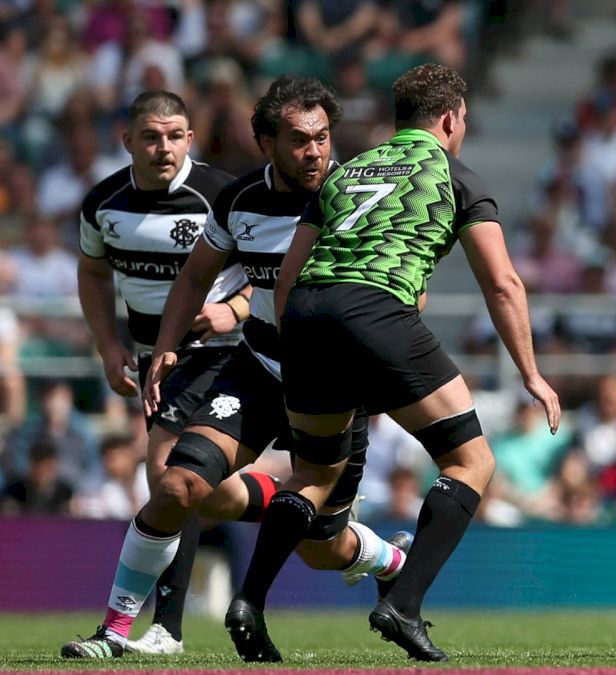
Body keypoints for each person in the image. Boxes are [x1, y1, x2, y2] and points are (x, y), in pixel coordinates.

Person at [234, 63, 559, 663]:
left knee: (311, 476)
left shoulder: (347, 173)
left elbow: (287, 276)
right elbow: (505, 285)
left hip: (304, 317)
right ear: (451, 118)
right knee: (472, 460)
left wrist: (301, 346)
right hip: (376, 310)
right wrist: (531, 374)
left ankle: (249, 600)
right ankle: (402, 604)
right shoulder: (456, 176)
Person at [138, 76, 410, 663]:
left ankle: (389, 559)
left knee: (320, 547)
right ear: (265, 142)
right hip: (259, 368)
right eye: (297, 140)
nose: (314, 152)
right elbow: (193, 277)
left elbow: (404, 290)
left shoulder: (360, 198)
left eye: (322, 137)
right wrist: (165, 345)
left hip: (334, 388)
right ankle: (124, 630)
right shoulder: (239, 201)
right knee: (186, 484)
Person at [66, 90, 268, 657]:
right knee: (208, 494)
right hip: (155, 362)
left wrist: (234, 308)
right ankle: (311, 511)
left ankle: (161, 629)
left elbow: (271, 266)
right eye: (152, 137)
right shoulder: (103, 203)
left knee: (167, 474)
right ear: (127, 140)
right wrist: (108, 345)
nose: (165, 147)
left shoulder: (222, 196)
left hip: (224, 351)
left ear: (190, 138)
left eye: (176, 135)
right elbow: (93, 272)